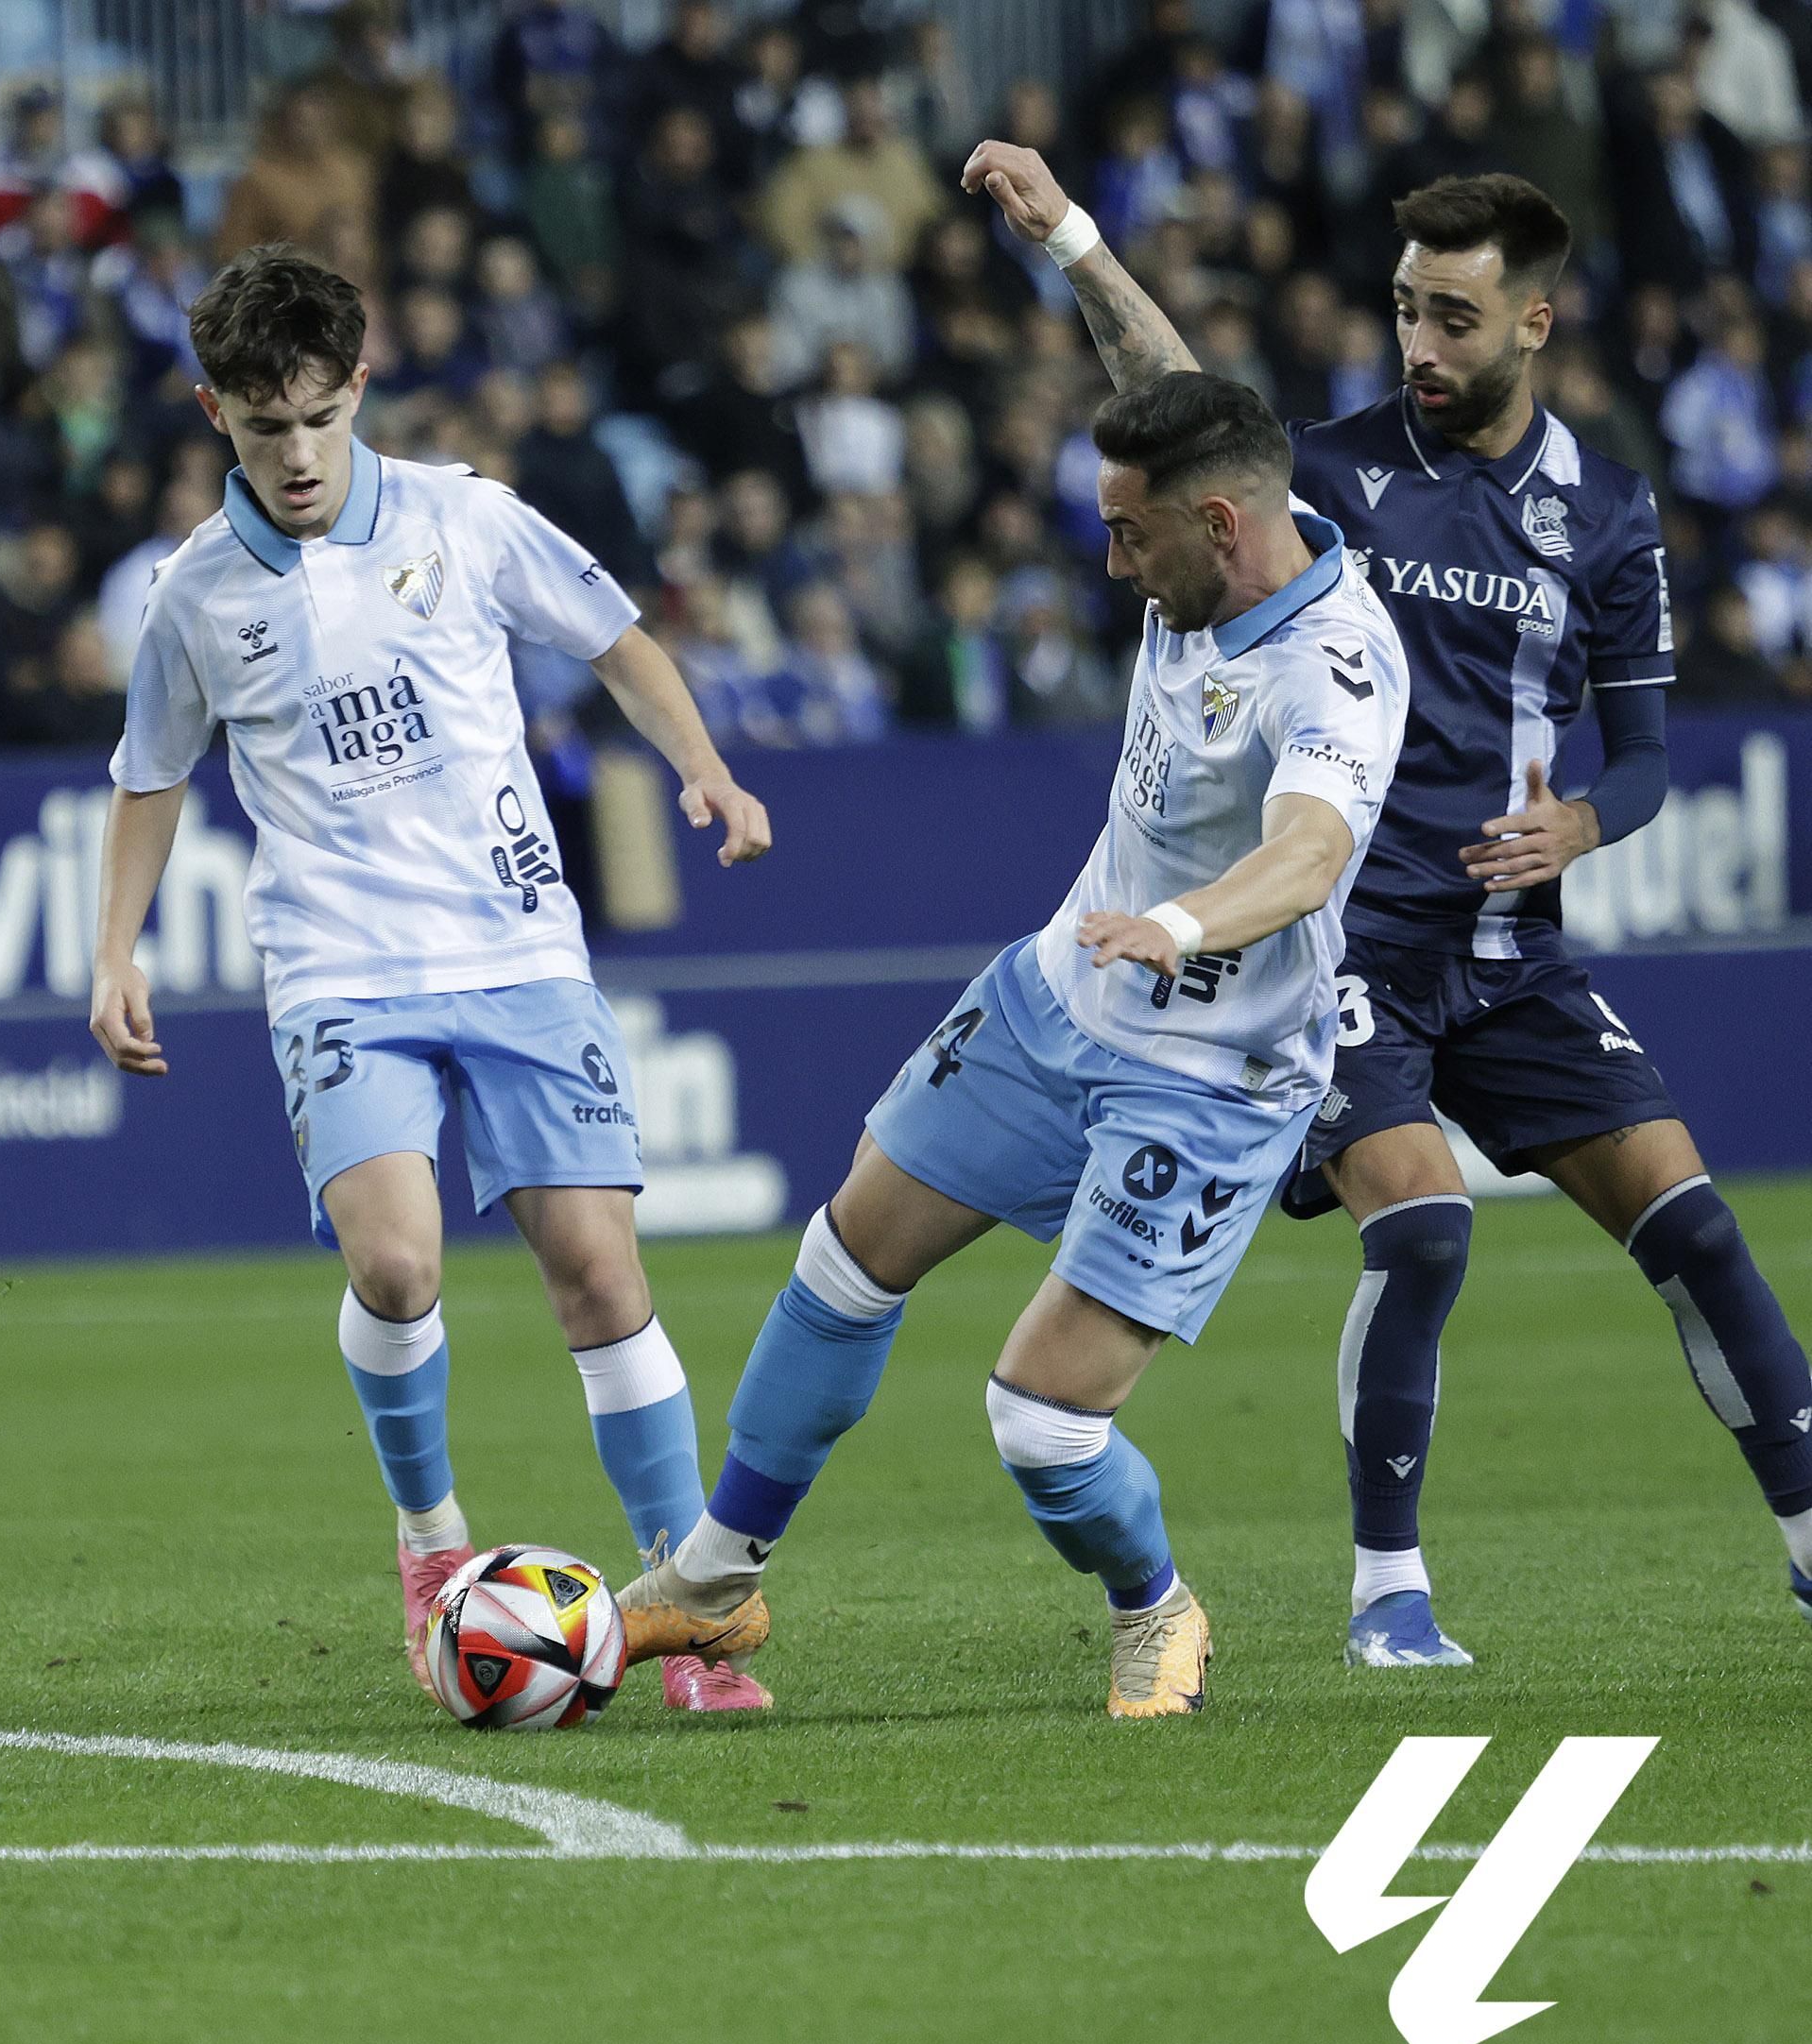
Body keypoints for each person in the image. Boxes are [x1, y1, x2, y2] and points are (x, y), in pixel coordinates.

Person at [986, 145, 1812, 1666]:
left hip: (1504, 954)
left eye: (1448, 317)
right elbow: (1180, 409)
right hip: (1339, 950)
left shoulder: (1610, 516)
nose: (1416, 347)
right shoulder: (1340, 471)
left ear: (1533, 325)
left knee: (1696, 1225)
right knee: (1423, 1225)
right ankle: (1386, 1597)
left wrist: (1578, 821)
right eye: (1401, 312)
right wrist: (1076, 243)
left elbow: (1636, 756)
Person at [640, 371, 1404, 1718]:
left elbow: (1306, 851)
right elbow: (1165, 374)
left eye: (1130, 534)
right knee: (840, 1258)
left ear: (1219, 522)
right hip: (1052, 1001)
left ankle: (1152, 1606)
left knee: (1041, 1421)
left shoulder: (1330, 668)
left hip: (1206, 1079)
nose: (1109, 561)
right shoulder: (1221, 535)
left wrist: (1176, 920)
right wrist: (1066, 244)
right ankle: (711, 1577)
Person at [88, 247, 778, 1713]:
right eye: (259, 426)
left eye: (314, 419)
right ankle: (426, 1537)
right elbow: (149, 778)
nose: (291, 454)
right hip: (339, 967)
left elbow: (615, 638)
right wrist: (111, 952)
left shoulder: (464, 516)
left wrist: (703, 770)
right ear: (212, 410)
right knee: (393, 1264)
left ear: (356, 387)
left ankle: (686, 1609)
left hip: (519, 948)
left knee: (598, 1276)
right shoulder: (192, 595)